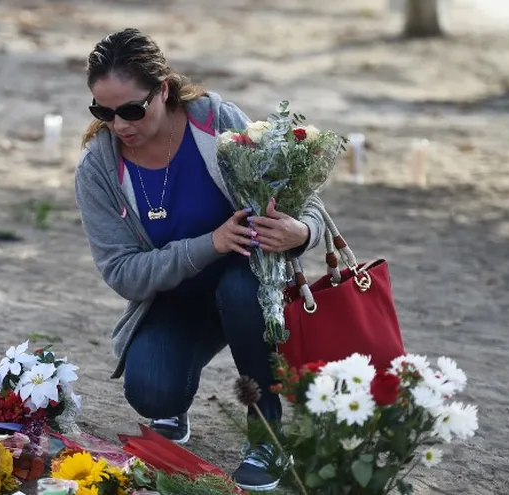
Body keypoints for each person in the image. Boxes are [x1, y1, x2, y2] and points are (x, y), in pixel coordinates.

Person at [73, 28, 327, 491]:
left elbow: (305, 201)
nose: (119, 123)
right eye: (103, 112)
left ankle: (265, 435)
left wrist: (301, 232)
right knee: (150, 391)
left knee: (240, 290)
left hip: (246, 283)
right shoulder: (99, 170)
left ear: (163, 90)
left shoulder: (216, 124)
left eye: (132, 109)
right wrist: (208, 243)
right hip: (174, 297)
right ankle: (177, 401)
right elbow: (123, 273)